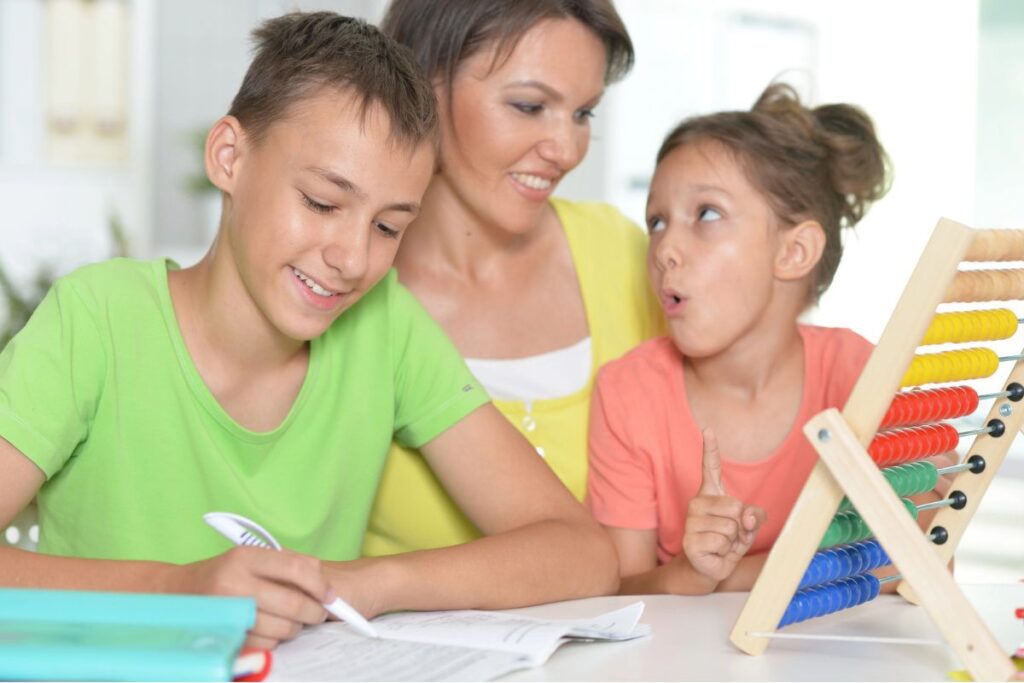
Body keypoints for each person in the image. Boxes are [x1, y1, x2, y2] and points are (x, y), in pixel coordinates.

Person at [0, 12, 618, 650]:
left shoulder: (385, 328)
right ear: (229, 157)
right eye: (323, 203)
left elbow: (581, 552)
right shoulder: (97, 321)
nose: (353, 259)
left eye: (388, 227)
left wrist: (362, 584)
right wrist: (176, 592)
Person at [363, 0, 662, 557]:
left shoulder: (623, 254)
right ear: (423, 84)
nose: (567, 150)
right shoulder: (347, 288)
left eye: (583, 114)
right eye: (529, 106)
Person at [586, 82, 909, 594]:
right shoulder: (627, 392)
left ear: (794, 251)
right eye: (657, 221)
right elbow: (621, 592)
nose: (665, 247)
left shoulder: (858, 374)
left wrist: (731, 576)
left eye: (706, 214)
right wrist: (692, 572)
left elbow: (914, 564)